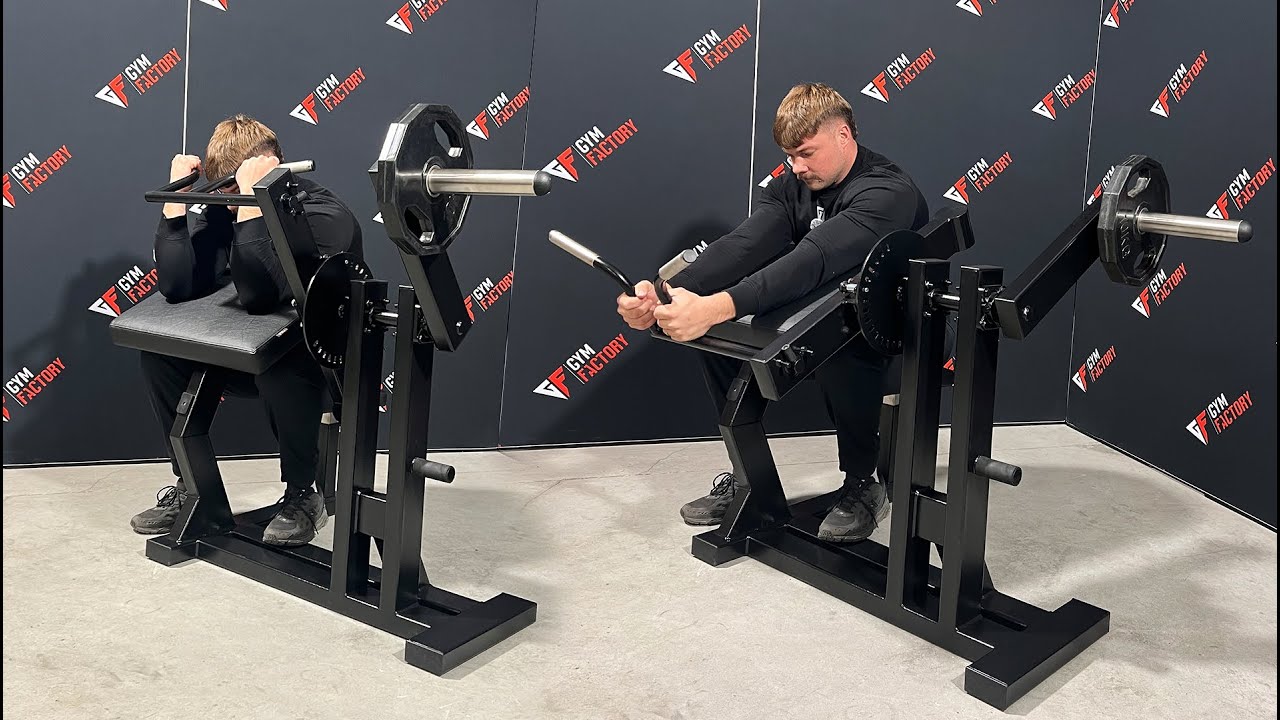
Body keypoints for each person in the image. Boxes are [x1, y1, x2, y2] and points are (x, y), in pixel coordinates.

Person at [616, 83, 929, 542]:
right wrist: (665, 293)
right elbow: (743, 246)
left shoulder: (887, 191)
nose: (797, 167)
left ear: (844, 135)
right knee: (715, 333)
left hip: (892, 328)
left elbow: (814, 258)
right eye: (789, 156)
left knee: (844, 335)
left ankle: (863, 484)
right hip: (819, 306)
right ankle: (749, 478)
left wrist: (717, 305)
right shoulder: (791, 187)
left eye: (806, 153)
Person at [129, 114, 364, 546]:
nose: (230, 205)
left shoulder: (325, 216)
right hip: (245, 350)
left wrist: (256, 202)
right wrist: (175, 204)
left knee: (282, 355)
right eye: (227, 194)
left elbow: (260, 295)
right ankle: (193, 488)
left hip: (320, 361)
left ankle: (303, 494)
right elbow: (178, 286)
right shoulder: (229, 207)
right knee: (160, 354)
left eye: (237, 192)